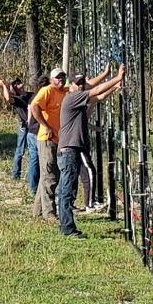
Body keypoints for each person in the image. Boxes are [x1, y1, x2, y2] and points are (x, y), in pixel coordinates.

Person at [55, 65, 127, 237]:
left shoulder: (77, 101)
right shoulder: (72, 98)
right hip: (69, 151)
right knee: (67, 191)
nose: (80, 85)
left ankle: (66, 226)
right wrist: (117, 77)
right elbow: (96, 91)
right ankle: (67, 228)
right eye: (77, 83)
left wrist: (115, 88)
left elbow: (98, 97)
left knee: (69, 190)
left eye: (82, 83)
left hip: (71, 150)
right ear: (71, 84)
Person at [28, 68, 69, 222]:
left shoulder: (65, 91)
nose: (61, 80)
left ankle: (38, 212)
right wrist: (45, 126)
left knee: (47, 176)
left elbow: (89, 86)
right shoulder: (47, 90)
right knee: (50, 176)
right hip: (47, 139)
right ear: (52, 79)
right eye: (58, 77)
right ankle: (50, 214)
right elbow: (34, 106)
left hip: (57, 139)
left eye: (63, 77)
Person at [0, 76, 32, 181]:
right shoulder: (16, 99)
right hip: (23, 127)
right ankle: (15, 174)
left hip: (33, 127)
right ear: (13, 88)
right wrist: (4, 85)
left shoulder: (31, 95)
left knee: (32, 152)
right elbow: (8, 98)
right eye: (15, 83)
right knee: (20, 150)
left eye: (19, 82)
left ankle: (31, 176)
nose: (19, 84)